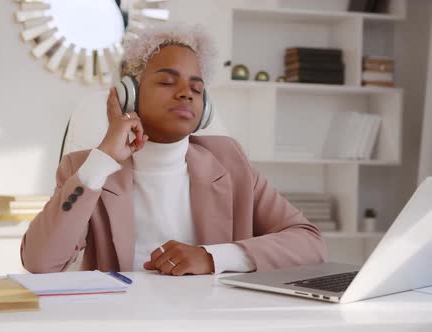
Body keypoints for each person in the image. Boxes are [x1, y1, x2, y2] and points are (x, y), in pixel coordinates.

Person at [20, 24, 327, 276]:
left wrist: (212, 258)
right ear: (131, 96)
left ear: (205, 107)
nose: (185, 94)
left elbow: (310, 242)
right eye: (167, 82)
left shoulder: (230, 161)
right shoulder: (85, 169)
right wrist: (102, 161)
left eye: (196, 88)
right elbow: (40, 262)